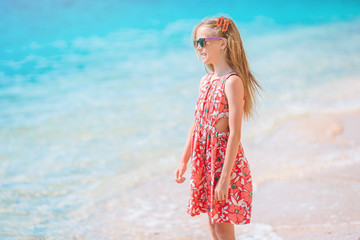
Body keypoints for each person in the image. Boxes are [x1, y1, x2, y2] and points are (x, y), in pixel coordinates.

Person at [174, 15, 265, 240]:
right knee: (213, 224)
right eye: (196, 43)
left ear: (222, 43)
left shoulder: (232, 81)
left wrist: (224, 178)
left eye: (203, 42)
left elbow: (234, 134)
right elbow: (196, 124)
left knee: (223, 226)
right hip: (204, 160)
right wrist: (184, 160)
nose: (198, 48)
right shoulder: (205, 81)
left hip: (224, 162)